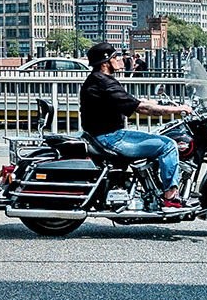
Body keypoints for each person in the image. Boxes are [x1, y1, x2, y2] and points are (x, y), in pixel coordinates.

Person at [79, 42, 194, 210]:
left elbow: (131, 101)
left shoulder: (99, 80)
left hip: (104, 134)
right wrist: (176, 110)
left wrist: (157, 102)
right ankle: (171, 197)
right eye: (115, 57)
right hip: (110, 137)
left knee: (158, 137)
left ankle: (153, 187)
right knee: (168, 145)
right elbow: (141, 108)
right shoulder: (104, 83)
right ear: (105, 63)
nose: (119, 60)